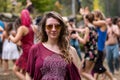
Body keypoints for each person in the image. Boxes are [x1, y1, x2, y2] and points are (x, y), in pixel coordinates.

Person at [26, 11, 81, 80]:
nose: (53, 29)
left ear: (61, 28)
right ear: (44, 28)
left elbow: (77, 77)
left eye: (57, 26)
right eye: (49, 26)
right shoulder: (35, 49)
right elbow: (28, 74)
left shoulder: (71, 51)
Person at [9, 9, 34, 80]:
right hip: (32, 50)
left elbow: (15, 40)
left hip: (26, 52)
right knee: (24, 71)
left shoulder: (22, 28)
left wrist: (10, 36)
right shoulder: (31, 27)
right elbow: (21, 42)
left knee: (15, 70)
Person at [91, 10, 116, 80]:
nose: (92, 17)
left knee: (98, 65)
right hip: (98, 48)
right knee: (97, 66)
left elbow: (91, 22)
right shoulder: (98, 25)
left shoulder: (103, 23)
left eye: (93, 15)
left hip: (101, 49)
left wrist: (85, 15)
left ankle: (112, 78)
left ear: (97, 15)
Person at [73, 12, 98, 80]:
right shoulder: (94, 27)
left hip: (90, 53)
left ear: (86, 19)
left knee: (81, 72)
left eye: (84, 19)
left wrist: (77, 36)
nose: (84, 20)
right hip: (94, 52)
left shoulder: (87, 28)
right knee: (88, 73)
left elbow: (84, 42)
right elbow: (81, 30)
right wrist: (73, 29)